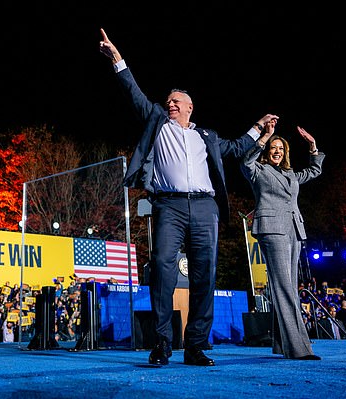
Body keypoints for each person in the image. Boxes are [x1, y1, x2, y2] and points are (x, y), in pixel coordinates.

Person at [99, 28, 278, 366]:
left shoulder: (206, 136)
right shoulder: (158, 123)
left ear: (190, 108)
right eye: (168, 100)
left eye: (176, 101)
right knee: (163, 270)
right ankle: (162, 344)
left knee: (204, 274)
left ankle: (195, 346)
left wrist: (259, 128)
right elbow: (135, 94)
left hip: (205, 207)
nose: (170, 103)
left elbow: (237, 148)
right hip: (169, 205)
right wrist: (118, 61)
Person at [240, 122, 324, 359]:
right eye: (273, 148)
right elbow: (246, 161)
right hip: (272, 229)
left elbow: (314, 171)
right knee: (284, 286)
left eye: (281, 148)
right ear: (267, 151)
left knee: (290, 285)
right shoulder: (258, 170)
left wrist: (312, 146)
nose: (277, 151)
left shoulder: (289, 174)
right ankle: (297, 347)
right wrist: (265, 136)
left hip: (294, 229)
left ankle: (280, 343)